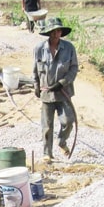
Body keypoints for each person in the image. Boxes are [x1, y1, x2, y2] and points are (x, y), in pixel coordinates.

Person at [32, 18, 78, 163]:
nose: (56, 33)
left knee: (68, 121)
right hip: (46, 93)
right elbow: (35, 70)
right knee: (47, 126)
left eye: (58, 31)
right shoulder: (39, 49)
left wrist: (62, 83)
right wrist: (36, 85)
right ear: (49, 33)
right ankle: (47, 153)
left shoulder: (69, 48)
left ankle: (62, 142)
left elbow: (74, 68)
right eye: (53, 31)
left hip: (63, 92)